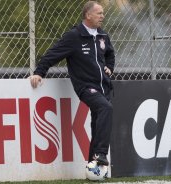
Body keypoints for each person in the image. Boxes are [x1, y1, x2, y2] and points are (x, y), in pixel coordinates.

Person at [29, 1, 115, 166]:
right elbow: (52, 54)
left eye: (103, 13)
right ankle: (101, 153)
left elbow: (110, 54)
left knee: (98, 124)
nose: (103, 16)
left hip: (104, 87)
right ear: (88, 15)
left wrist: (109, 67)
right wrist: (39, 72)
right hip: (86, 87)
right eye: (99, 13)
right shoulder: (74, 36)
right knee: (105, 108)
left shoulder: (103, 36)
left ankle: (94, 167)